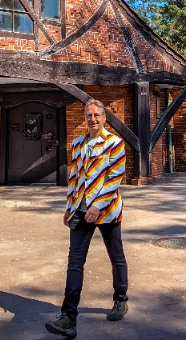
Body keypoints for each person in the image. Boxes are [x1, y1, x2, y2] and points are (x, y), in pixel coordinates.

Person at [45, 99, 128, 338]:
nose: (92, 119)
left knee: (116, 256)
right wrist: (70, 206)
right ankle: (68, 318)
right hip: (80, 211)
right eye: (88, 115)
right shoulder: (78, 142)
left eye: (97, 115)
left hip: (107, 210)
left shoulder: (114, 143)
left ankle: (120, 299)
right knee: (74, 262)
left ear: (105, 118)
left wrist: (97, 206)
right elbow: (74, 176)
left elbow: (114, 178)